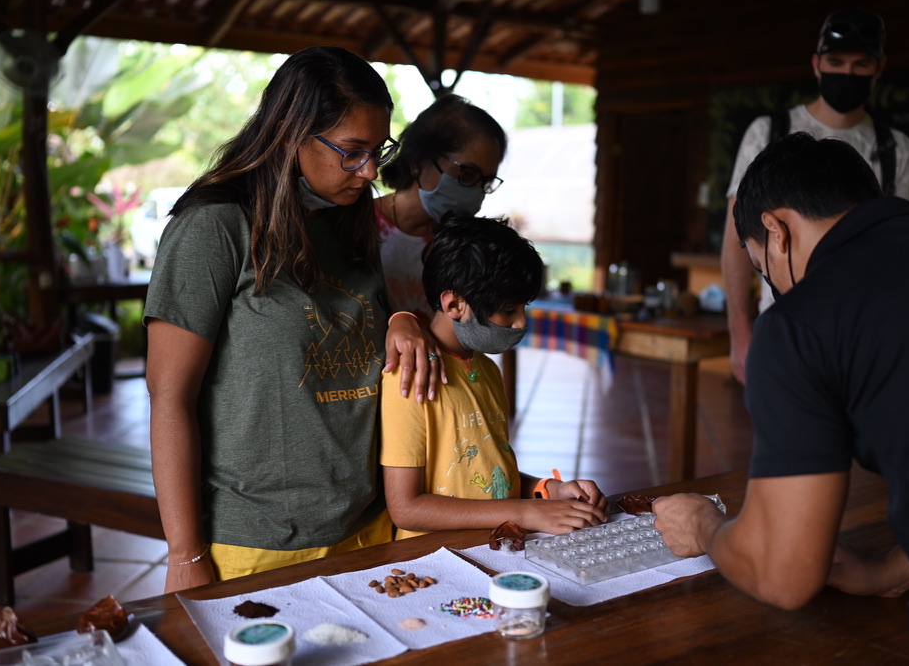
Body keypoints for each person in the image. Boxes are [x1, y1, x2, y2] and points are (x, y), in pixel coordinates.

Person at [653, 132, 909, 663]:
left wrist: (704, 526)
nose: (771, 283)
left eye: (760, 267)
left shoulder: (803, 326)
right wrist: (887, 572)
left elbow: (783, 575)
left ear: (776, 230)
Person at [144, 46, 444, 594]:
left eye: (379, 150)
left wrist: (402, 316)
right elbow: (169, 397)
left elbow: (361, 325)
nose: (370, 171)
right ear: (290, 134)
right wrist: (185, 556)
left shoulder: (348, 217)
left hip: (368, 525)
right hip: (258, 542)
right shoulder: (214, 227)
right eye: (352, 152)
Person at [720, 8, 909, 384]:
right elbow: (737, 243)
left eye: (861, 64)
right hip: (782, 328)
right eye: (836, 61)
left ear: (879, 69)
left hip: (864, 336)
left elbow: (899, 250)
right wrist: (741, 336)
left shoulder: (897, 150)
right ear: (817, 64)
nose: (847, 73)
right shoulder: (767, 133)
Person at [380, 213, 608, 538]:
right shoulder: (410, 374)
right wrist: (528, 512)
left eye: (524, 308)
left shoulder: (486, 369)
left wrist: (549, 490)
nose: (521, 323)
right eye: (509, 310)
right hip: (436, 560)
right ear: (455, 304)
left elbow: (492, 477)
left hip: (492, 547)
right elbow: (406, 509)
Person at [375, 94, 508, 317]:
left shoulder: (462, 249)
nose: (476, 191)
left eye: (485, 182)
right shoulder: (354, 225)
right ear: (417, 162)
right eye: (466, 174)